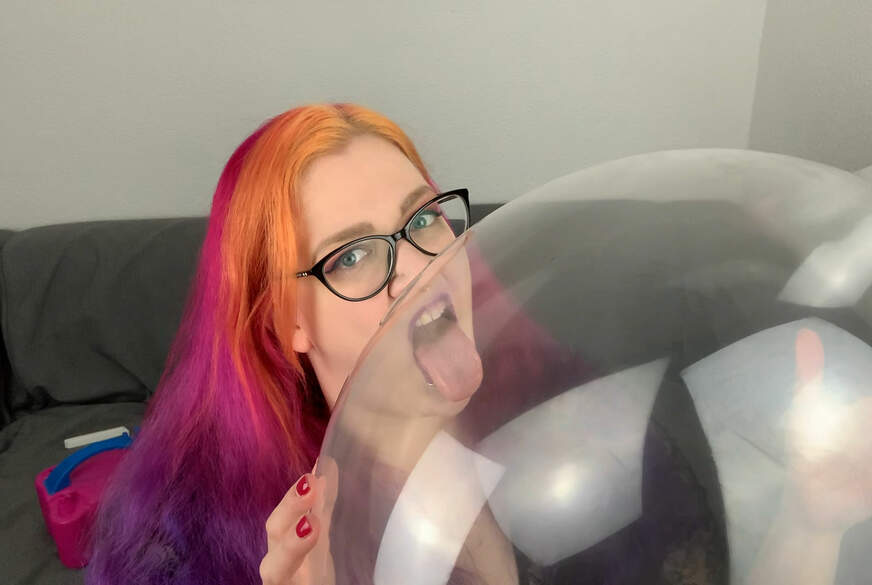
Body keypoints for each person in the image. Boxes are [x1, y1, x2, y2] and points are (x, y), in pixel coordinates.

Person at [84, 103, 481, 585]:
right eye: (351, 256)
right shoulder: (198, 550)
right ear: (287, 317)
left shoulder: (542, 405)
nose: (422, 270)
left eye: (423, 219)